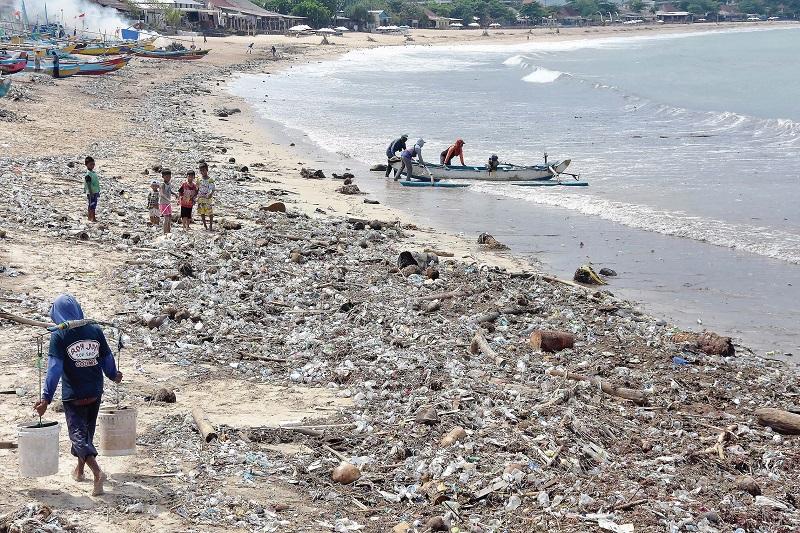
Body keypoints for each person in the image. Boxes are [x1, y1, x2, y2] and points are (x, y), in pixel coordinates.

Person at [34, 294, 122, 497]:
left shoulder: (59, 336)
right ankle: (80, 470)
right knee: (86, 434)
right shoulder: (95, 330)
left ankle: (97, 472)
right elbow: (106, 359)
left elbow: (54, 369)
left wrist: (46, 398)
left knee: (78, 436)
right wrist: (113, 375)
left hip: (74, 395)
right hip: (94, 392)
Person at [196, 162, 215, 231]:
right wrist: (195, 196)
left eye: (203, 170)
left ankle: (210, 225)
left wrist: (210, 194)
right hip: (200, 198)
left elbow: (212, 189)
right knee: (202, 212)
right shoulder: (199, 179)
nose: (202, 172)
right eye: (201, 170)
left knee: (210, 212)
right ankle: (204, 225)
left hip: (207, 199)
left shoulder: (210, 180)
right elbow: (197, 188)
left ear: (207, 170)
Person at [159, 168, 175, 235]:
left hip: (168, 203)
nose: (168, 178)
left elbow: (169, 191)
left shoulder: (169, 184)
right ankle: (165, 232)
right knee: (166, 218)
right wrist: (167, 199)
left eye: (169, 177)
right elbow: (161, 194)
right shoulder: (162, 184)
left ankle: (169, 231)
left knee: (169, 217)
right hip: (163, 203)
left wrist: (175, 194)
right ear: (163, 177)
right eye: (167, 177)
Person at [84, 156, 100, 222]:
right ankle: (92, 218)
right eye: (91, 164)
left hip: (95, 191)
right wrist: (91, 193)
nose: (92, 166)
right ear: (86, 165)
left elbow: (96, 183)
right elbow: (88, 184)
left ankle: (90, 217)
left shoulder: (93, 173)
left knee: (92, 205)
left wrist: (97, 192)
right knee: (92, 205)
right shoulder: (88, 174)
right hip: (91, 192)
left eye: (93, 164)